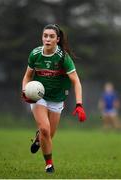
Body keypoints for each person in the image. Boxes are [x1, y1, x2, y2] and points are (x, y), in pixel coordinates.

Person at [22, 24, 86, 173]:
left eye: (51, 36)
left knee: (48, 135)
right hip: (39, 97)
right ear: (42, 37)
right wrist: (25, 90)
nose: (48, 39)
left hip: (57, 98)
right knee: (45, 129)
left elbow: (76, 81)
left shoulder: (63, 57)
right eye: (45, 36)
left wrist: (79, 104)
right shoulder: (35, 54)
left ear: (57, 39)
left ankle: (39, 138)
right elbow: (27, 77)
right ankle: (49, 164)